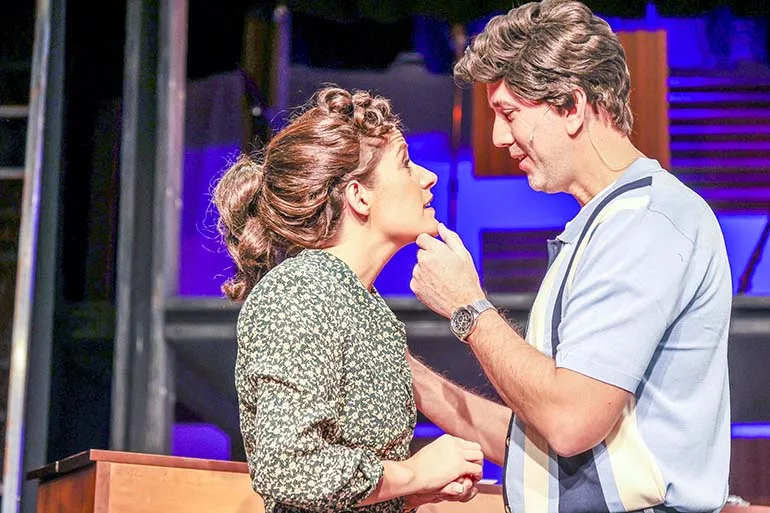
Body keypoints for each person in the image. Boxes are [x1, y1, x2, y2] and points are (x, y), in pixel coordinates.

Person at [408, 1, 732, 513]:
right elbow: (536, 447)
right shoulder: (603, 227)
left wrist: (468, 308)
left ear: (572, 106)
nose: (497, 137)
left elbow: (569, 422)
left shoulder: (644, 223)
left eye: (508, 113)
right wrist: (408, 375)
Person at [213, 86, 484, 513]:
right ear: (360, 196)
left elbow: (338, 482)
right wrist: (415, 473)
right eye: (406, 163)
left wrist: (408, 494)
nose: (428, 177)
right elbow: (288, 466)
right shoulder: (300, 291)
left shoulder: (365, 304)